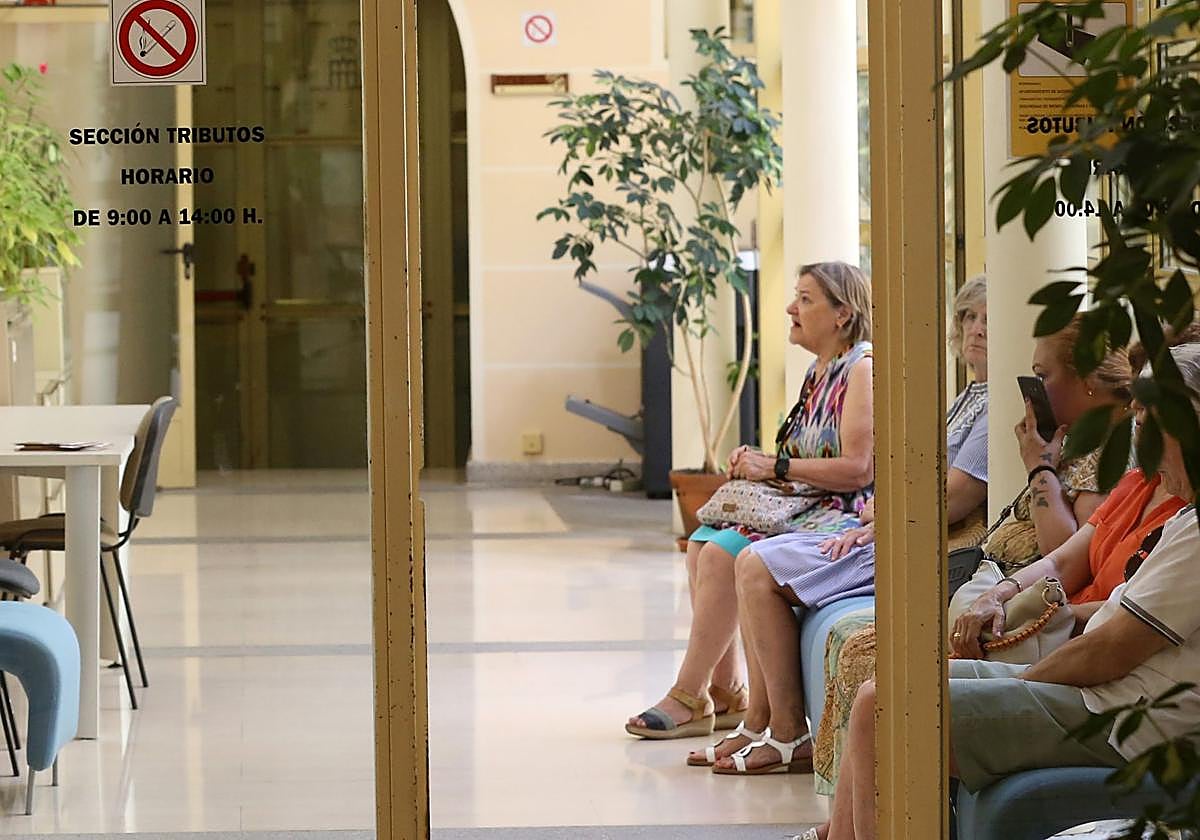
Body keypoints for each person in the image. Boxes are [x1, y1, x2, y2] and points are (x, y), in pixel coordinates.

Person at [799, 342, 1200, 840]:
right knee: (877, 693)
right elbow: (1070, 566)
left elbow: (1112, 648)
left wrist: (1026, 678)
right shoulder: (1174, 505)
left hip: (1121, 716)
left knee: (886, 710)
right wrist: (1004, 597)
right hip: (1101, 685)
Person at [809, 312, 1134, 793]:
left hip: (1035, 615)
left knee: (878, 667)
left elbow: (1067, 552)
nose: (1035, 391)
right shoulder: (1077, 440)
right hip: (1002, 590)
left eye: (1044, 376)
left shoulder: (1109, 451)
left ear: (1087, 381)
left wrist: (1038, 469)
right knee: (871, 658)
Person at [688, 276, 990, 772]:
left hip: (899, 533)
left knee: (743, 559)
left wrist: (872, 512)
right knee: (709, 547)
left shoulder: (871, 371)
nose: (976, 330)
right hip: (879, 523)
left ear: (843, 314)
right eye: (968, 318)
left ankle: (762, 723)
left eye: (989, 319)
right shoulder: (966, 398)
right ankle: (753, 716)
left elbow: (936, 492)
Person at [626, 261, 875, 739]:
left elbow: (859, 469)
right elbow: (804, 454)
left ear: (842, 313)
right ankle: (726, 690)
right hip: (807, 503)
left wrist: (775, 467)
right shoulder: (818, 369)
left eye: (805, 299)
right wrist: (761, 460)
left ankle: (688, 693)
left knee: (721, 553)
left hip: (840, 512)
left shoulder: (861, 369)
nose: (790, 308)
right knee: (701, 544)